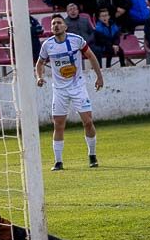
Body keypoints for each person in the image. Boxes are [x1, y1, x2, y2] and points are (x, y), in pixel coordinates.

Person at [36, 14, 104, 169]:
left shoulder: (76, 40)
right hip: (59, 90)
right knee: (58, 125)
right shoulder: (47, 45)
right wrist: (39, 77)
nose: (56, 26)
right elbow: (39, 63)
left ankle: (92, 155)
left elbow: (91, 56)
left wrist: (99, 77)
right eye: (53, 24)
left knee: (88, 122)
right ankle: (58, 161)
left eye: (59, 23)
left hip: (78, 87)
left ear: (65, 26)